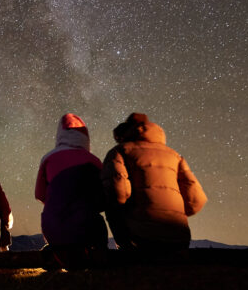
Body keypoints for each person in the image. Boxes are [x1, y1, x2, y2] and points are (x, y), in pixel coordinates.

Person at [102, 113, 207, 253]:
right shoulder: (175, 156)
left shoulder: (120, 151)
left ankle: (126, 249)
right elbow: (196, 201)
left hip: (141, 237)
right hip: (179, 238)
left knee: (110, 205)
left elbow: (118, 194)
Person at [35, 113, 108, 268]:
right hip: (86, 227)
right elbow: (103, 199)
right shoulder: (93, 160)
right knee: (97, 221)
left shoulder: (48, 158)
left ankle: (59, 250)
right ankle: (100, 254)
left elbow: (39, 194)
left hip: (52, 228)